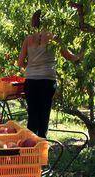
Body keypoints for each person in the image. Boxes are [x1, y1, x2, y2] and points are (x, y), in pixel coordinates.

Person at [17, 10, 84, 138]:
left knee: (33, 116)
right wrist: (80, 55)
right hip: (47, 82)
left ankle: (31, 148)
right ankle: (42, 147)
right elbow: (69, 56)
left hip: (31, 81)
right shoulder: (53, 37)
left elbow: (20, 63)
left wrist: (30, 67)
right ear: (50, 20)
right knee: (44, 115)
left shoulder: (28, 39)